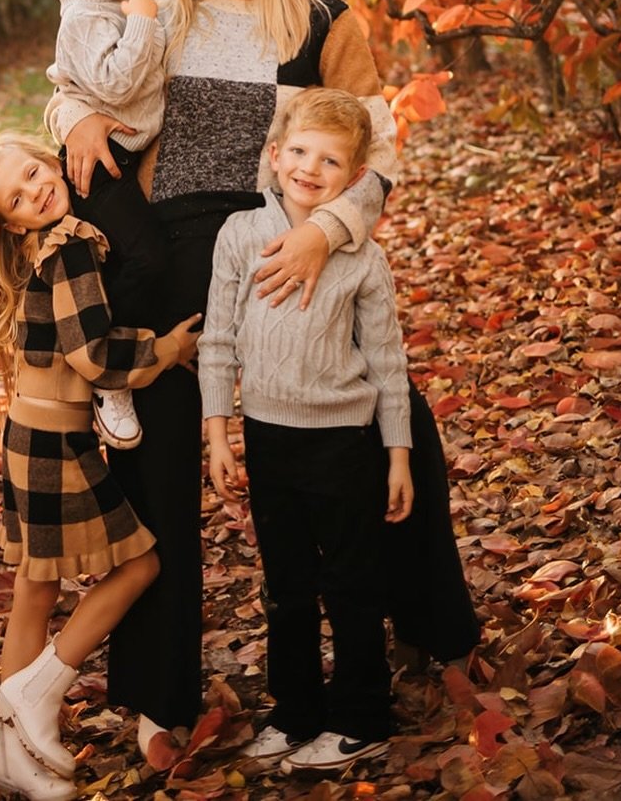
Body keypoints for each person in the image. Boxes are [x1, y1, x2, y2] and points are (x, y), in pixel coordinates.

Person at [49, 0, 479, 761]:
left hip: (291, 234)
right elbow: (84, 63)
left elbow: (380, 150)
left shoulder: (323, 19)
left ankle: (431, 634)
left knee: (387, 420)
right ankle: (155, 696)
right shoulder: (164, 4)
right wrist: (66, 116)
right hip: (182, 241)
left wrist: (326, 230)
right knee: (162, 450)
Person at [0, 134, 200, 800]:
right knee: (141, 563)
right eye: (18, 195)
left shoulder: (42, 246)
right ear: (11, 221)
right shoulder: (67, 246)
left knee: (36, 587)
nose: (36, 188)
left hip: (30, 431)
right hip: (53, 446)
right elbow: (93, 354)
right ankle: (34, 697)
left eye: (34, 172)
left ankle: (12, 752)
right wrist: (166, 347)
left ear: (48, 157)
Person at [201, 88, 414, 774]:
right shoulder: (238, 234)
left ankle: (360, 719)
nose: (308, 167)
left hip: (342, 442)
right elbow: (217, 341)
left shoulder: (359, 257)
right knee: (285, 583)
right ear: (273, 156)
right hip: (267, 436)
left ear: (353, 179)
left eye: (328, 160)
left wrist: (398, 456)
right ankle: (294, 710)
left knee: (350, 582)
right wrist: (217, 435)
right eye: (297, 151)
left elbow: (387, 360)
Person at [46, 0, 168, 449]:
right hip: (102, 161)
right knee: (146, 258)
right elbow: (117, 84)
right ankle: (106, 373)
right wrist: (144, 17)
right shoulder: (87, 17)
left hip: (126, 154)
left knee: (128, 257)